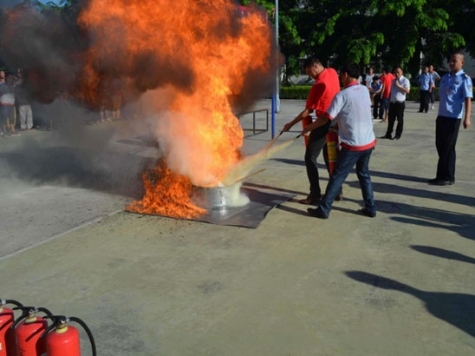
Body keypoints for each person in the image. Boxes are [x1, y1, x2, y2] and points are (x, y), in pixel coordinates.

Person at [302, 62, 376, 219]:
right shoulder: (364, 90)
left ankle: (324, 209)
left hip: (353, 145)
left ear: (345, 75)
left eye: (341, 77)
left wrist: (309, 128)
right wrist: (338, 126)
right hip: (369, 142)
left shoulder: (342, 96)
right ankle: (370, 208)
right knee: (364, 174)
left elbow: (325, 119)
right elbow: (354, 112)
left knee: (337, 176)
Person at [282, 57, 340, 205]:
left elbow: (309, 110)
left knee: (310, 158)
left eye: (309, 72)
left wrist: (291, 124)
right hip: (336, 120)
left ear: (315, 66)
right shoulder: (333, 72)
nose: (310, 76)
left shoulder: (319, 84)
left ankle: (315, 195)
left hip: (324, 122)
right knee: (331, 157)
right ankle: (337, 191)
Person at [428, 52, 472, 186]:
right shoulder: (446, 77)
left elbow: (467, 99)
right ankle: (442, 175)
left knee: (448, 146)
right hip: (442, 116)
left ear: (462, 63)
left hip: (453, 118)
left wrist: (467, 117)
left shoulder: (465, 79)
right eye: (451, 61)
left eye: (455, 61)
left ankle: (447, 176)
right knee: (440, 145)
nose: (452, 63)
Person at [381, 67, 410, 140]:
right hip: (392, 102)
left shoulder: (405, 80)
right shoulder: (394, 81)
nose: (396, 74)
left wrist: (399, 86)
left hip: (400, 103)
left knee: (399, 119)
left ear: (401, 72)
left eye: (398, 72)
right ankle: (388, 134)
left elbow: (407, 91)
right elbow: (392, 91)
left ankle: (397, 135)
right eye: (395, 72)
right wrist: (389, 99)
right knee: (391, 119)